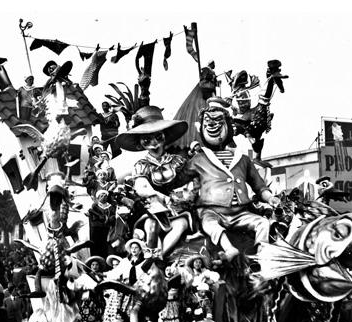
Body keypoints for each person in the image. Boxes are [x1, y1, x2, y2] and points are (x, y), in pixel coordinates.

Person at [182, 97, 280, 261]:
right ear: (201, 129)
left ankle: (261, 257)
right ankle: (230, 250)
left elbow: (259, 186)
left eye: (219, 122)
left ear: (229, 126)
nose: (213, 126)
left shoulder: (242, 160)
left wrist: (270, 198)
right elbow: (178, 179)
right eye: (208, 123)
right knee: (210, 225)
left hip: (241, 213)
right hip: (212, 212)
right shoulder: (198, 160)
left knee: (263, 223)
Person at [116, 105, 193, 258]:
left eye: (158, 137)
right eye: (147, 139)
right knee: (151, 225)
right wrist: (160, 196)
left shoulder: (178, 160)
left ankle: (161, 257)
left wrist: (185, 194)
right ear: (140, 143)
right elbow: (141, 186)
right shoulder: (142, 165)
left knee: (181, 225)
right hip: (153, 207)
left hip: (179, 207)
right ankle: (148, 258)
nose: (154, 143)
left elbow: (190, 180)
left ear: (165, 136)